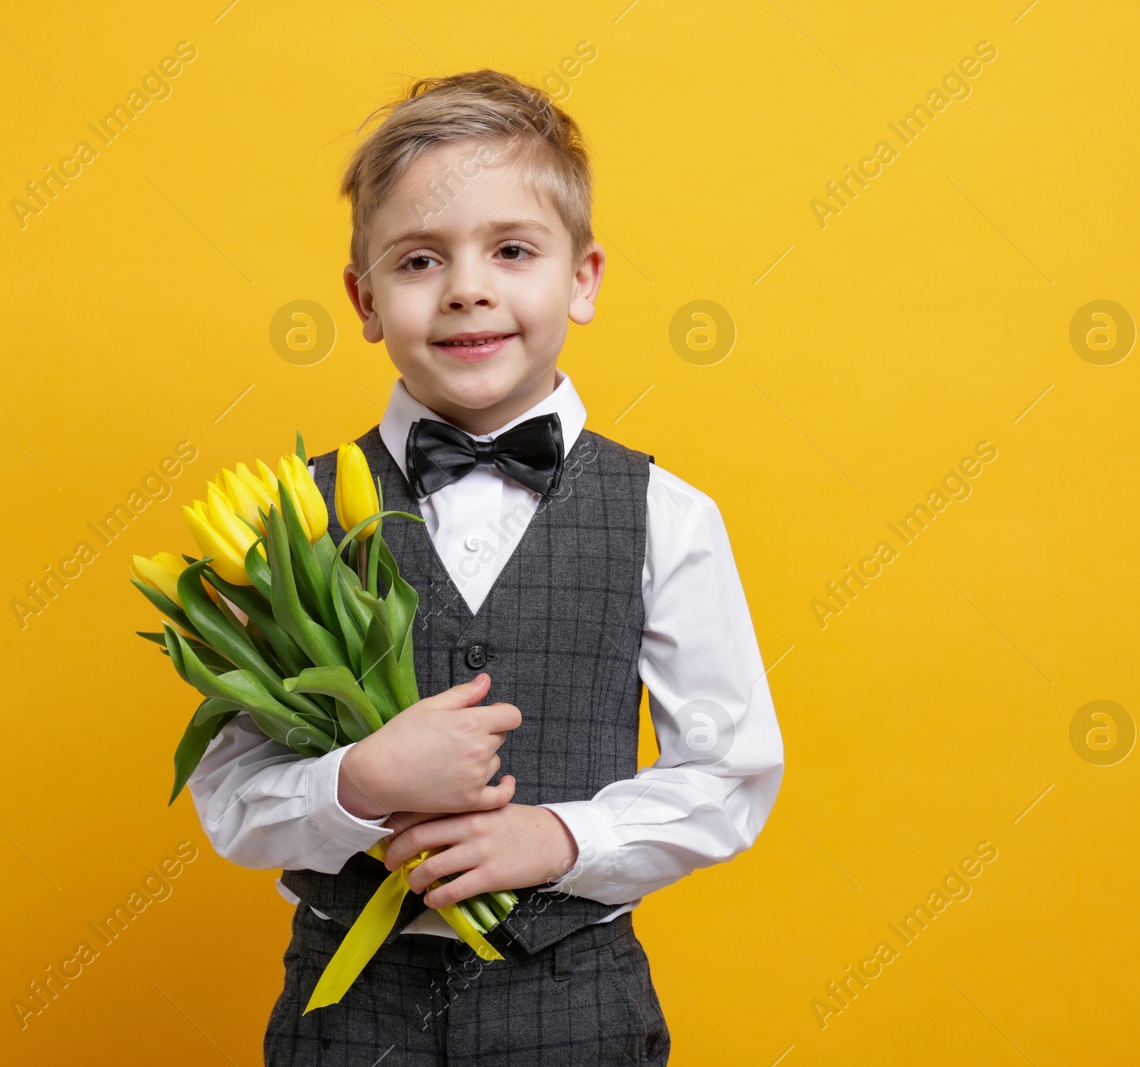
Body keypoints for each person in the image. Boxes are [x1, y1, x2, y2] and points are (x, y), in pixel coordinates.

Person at [188, 68, 785, 1066]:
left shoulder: (668, 516)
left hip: (575, 1006)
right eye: (420, 259)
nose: (467, 286)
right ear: (364, 298)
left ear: (582, 277)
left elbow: (729, 774)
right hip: (348, 1011)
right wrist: (357, 780)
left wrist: (557, 837)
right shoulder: (287, 520)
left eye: (511, 249)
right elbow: (230, 796)